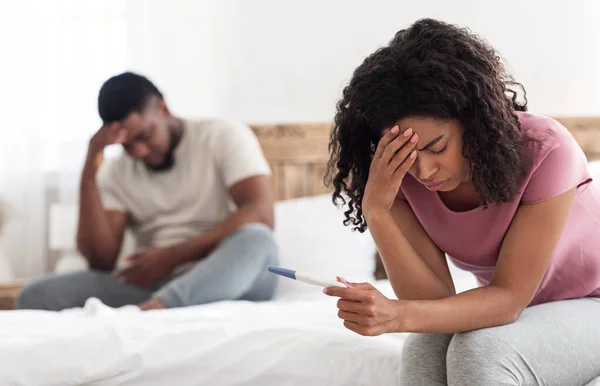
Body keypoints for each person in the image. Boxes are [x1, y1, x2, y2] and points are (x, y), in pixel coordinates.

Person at [323, 19, 600, 385]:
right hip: (525, 312)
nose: (423, 170)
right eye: (406, 152)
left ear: (476, 123)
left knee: (482, 351)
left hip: (592, 300)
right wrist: (377, 211)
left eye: (437, 147)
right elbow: (432, 303)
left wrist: (394, 315)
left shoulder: (545, 151)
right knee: (425, 347)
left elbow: (507, 298)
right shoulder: (400, 177)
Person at [17, 72, 278, 311]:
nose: (139, 152)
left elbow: (261, 213)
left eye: (144, 136)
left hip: (225, 275)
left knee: (258, 239)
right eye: (127, 145)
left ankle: (159, 308)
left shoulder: (221, 135)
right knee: (35, 295)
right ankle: (161, 307)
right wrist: (90, 166)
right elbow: (101, 261)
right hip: (154, 283)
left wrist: (171, 257)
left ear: (163, 109)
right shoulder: (117, 171)